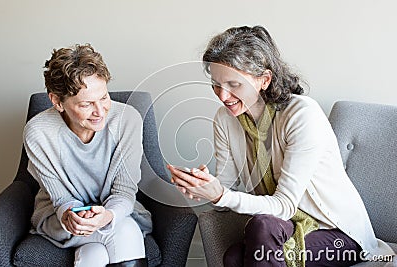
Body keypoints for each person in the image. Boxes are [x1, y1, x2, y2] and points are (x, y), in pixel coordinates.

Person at [168, 26, 395, 266]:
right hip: (282, 227)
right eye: (216, 84)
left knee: (260, 227)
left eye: (233, 84)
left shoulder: (301, 115)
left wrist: (221, 196)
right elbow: (227, 189)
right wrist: (204, 187)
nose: (223, 96)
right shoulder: (225, 119)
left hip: (338, 233)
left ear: (264, 80)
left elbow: (284, 206)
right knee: (235, 255)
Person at [24, 44, 151, 267]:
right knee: (126, 232)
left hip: (117, 212)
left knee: (96, 254)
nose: (100, 112)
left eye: (104, 98)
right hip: (62, 219)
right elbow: (61, 199)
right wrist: (73, 216)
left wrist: (107, 216)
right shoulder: (39, 132)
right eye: (86, 104)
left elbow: (124, 191)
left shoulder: (127, 119)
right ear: (57, 101)